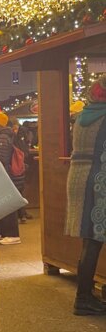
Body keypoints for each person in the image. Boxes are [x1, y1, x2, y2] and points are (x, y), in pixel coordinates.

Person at [65, 74, 106, 316]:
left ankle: (84, 295)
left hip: (78, 177)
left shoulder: (82, 116)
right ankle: (83, 298)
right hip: (99, 178)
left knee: (89, 241)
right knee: (94, 240)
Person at [0, 110, 21, 245]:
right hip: (1, 173)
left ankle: (12, 234)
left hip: (3, 174)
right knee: (1, 203)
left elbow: (1, 158)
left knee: (7, 204)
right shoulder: (2, 136)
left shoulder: (2, 138)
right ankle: (0, 231)